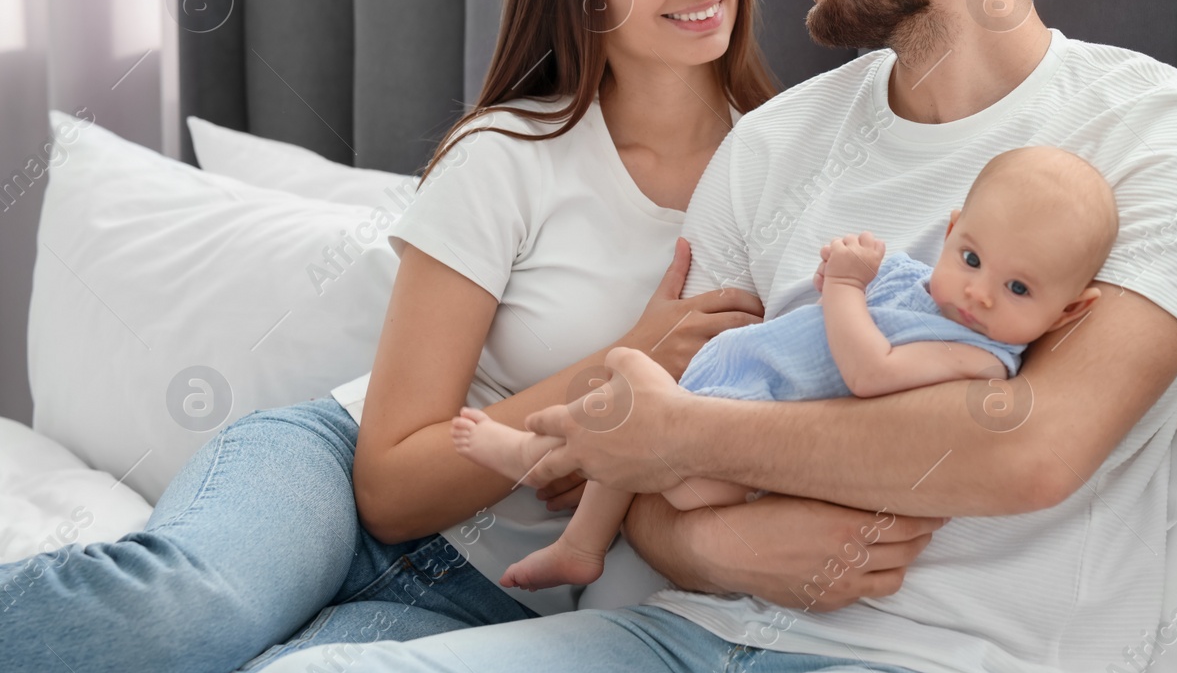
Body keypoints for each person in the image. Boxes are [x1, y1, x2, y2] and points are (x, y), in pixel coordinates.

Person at [198, 0, 1177, 673]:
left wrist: (691, 444)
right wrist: (712, 542)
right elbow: (643, 463)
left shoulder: (1149, 138)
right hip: (677, 631)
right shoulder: (775, 143)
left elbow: (1031, 446)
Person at [3, 0, 938, 673]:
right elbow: (390, 482)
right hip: (333, 481)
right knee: (175, 613)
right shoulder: (509, 154)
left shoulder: (788, 173)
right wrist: (623, 364)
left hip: (495, 598)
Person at [453, 146, 1118, 593]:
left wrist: (845, 289)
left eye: (1019, 290)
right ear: (950, 234)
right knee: (631, 425)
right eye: (971, 259)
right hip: (735, 383)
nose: (979, 294)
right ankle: (582, 542)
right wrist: (835, 271)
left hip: (742, 439)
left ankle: (532, 452)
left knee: (631, 404)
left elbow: (869, 370)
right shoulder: (920, 282)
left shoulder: (978, 356)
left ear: (1067, 313)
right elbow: (813, 310)